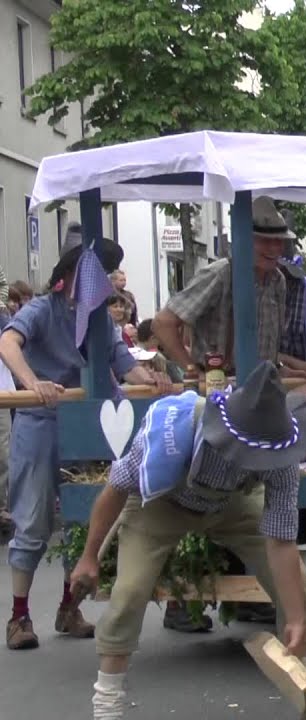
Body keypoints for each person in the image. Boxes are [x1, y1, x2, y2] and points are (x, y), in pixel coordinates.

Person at [71, 362, 306, 719]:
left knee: (297, 585)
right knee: (129, 590)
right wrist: (89, 557)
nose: (263, 461)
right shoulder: (172, 433)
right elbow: (115, 489)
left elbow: (280, 540)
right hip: (162, 503)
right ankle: (108, 705)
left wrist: (294, 616)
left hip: (233, 503)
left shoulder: (281, 451)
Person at [0, 239, 172, 651]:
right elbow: (7, 343)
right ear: (69, 276)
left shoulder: (99, 321)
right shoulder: (41, 310)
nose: (103, 282)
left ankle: (69, 608)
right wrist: (32, 382)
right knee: (33, 520)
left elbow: (125, 365)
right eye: (95, 273)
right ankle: (19, 616)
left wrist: (154, 380)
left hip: (83, 425)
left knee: (83, 517)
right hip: (40, 424)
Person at [151, 196, 292, 378]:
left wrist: (283, 370)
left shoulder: (278, 281)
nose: (274, 248)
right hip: (219, 383)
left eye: (279, 241)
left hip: (262, 383)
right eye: (265, 241)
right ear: (245, 240)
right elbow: (162, 323)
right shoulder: (220, 274)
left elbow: (267, 349)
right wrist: (193, 372)